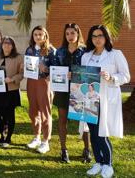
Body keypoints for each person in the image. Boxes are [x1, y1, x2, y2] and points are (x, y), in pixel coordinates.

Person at [82, 25, 130, 178]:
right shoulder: (86, 56)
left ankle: (108, 164)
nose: (97, 39)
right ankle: (98, 162)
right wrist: (75, 76)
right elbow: (83, 77)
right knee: (93, 133)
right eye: (94, 36)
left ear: (106, 37)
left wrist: (112, 77)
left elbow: (126, 76)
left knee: (102, 133)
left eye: (100, 35)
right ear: (90, 38)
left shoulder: (115, 54)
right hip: (90, 100)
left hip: (106, 98)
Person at [52, 23, 91, 163]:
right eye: (67, 33)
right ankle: (64, 150)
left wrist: (75, 75)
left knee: (84, 120)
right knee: (62, 121)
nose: (70, 36)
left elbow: (89, 71)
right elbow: (55, 69)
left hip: (80, 90)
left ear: (78, 33)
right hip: (63, 91)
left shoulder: (86, 51)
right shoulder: (60, 51)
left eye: (72, 33)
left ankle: (87, 150)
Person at [25, 25, 55, 154]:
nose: (38, 36)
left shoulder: (51, 50)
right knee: (33, 111)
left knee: (45, 111)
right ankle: (36, 137)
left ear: (45, 36)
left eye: (40, 34)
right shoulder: (29, 50)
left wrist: (47, 70)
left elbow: (58, 69)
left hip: (44, 83)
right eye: (35, 34)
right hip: (31, 82)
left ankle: (45, 141)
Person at [0, 36, 23, 147]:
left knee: (9, 115)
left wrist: (12, 79)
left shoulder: (18, 57)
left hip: (11, 90)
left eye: (9, 43)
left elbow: (22, 74)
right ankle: (2, 136)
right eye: (4, 43)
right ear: (2, 45)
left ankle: (8, 138)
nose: (7, 45)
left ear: (13, 46)